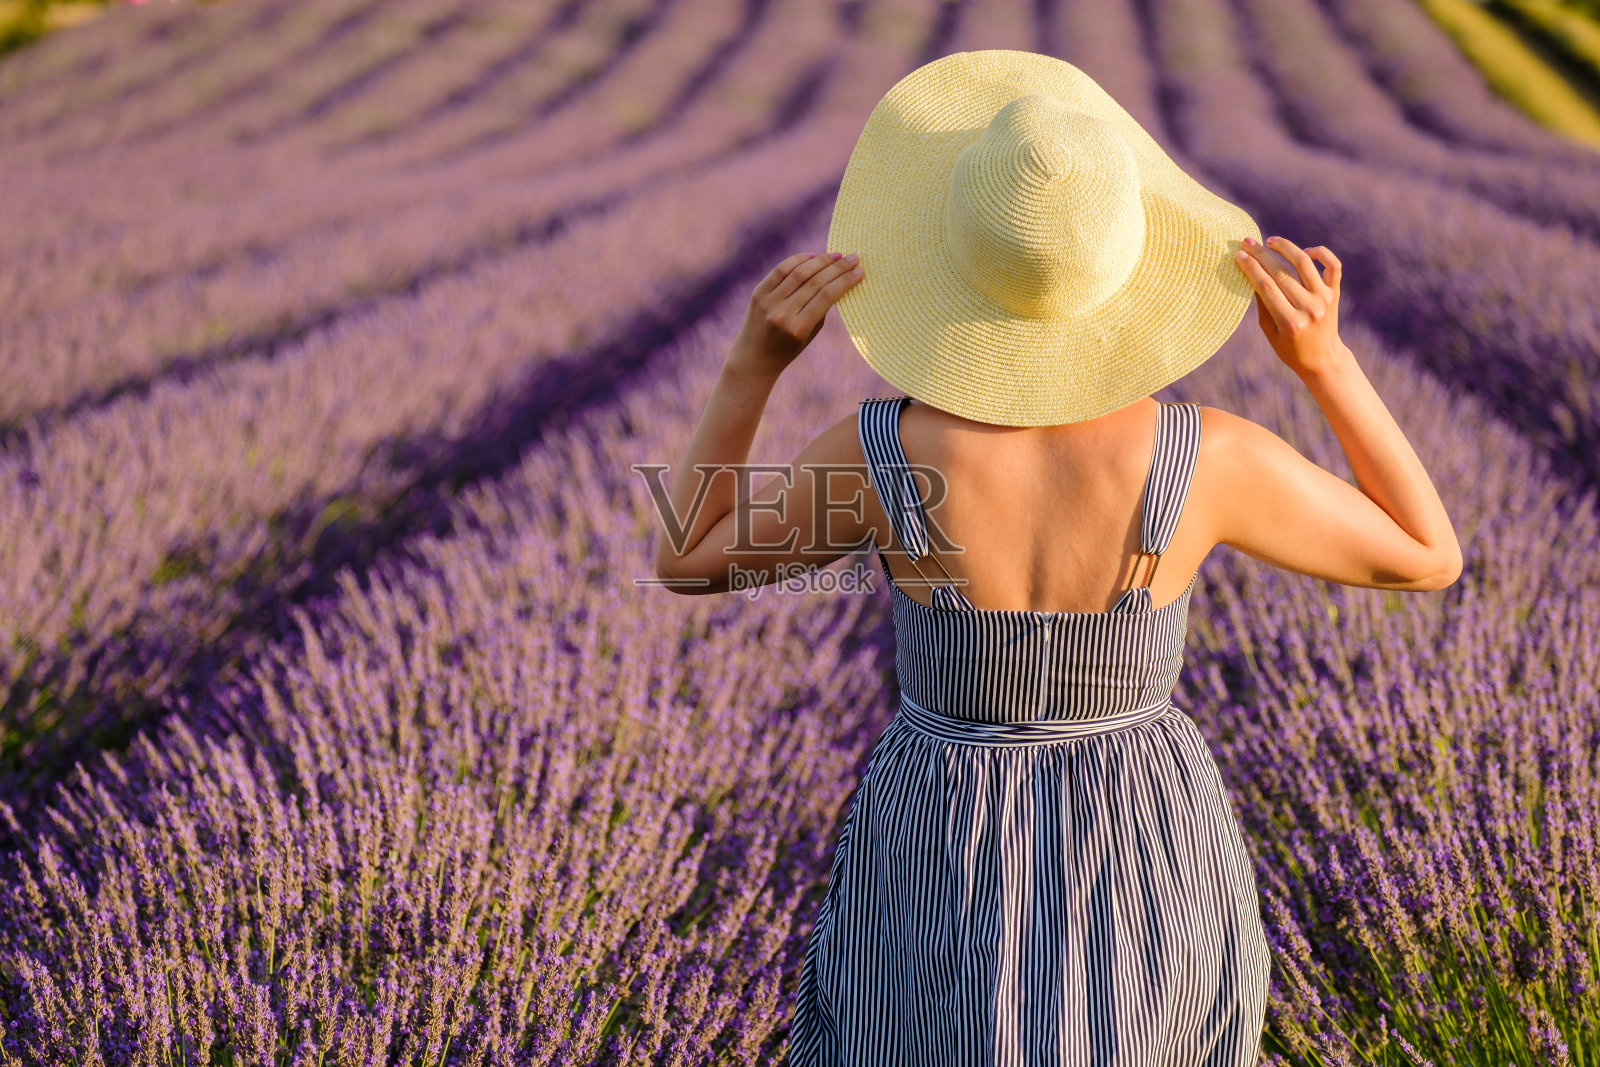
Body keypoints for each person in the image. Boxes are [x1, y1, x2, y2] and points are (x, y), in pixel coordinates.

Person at [652, 50, 1460, 1066]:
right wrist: (1325, 363)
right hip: (1139, 833)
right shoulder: (1204, 456)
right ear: (1126, 261)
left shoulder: (886, 452)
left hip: (938, 836)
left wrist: (751, 365)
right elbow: (1427, 554)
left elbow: (691, 555)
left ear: (953, 253)